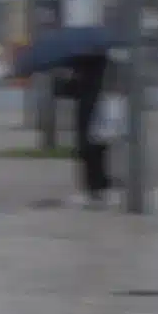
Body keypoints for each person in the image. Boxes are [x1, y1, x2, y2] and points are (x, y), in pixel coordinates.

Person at [56, 53, 113, 207]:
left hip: (90, 113)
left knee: (90, 151)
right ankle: (99, 188)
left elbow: (69, 90)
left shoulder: (86, 68)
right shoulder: (103, 64)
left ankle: (95, 190)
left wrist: (62, 79)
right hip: (101, 112)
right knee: (97, 150)